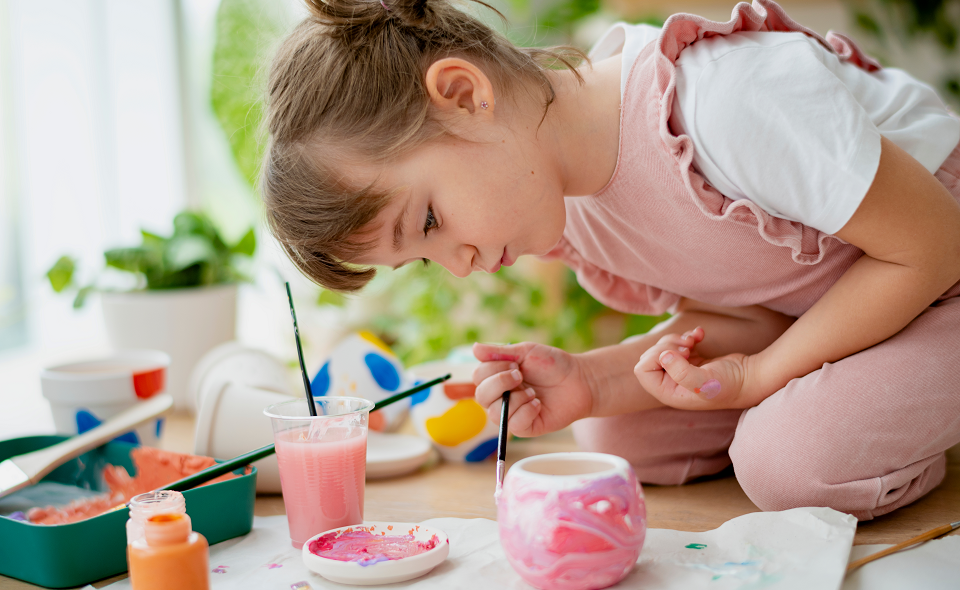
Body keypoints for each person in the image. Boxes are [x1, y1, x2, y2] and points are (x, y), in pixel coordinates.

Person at [261, 0, 960, 520]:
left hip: (941, 266)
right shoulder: (569, 208)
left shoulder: (720, 101)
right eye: (422, 258)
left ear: (466, 95)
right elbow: (747, 312)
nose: (461, 262)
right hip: (851, 298)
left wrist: (763, 376)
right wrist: (592, 382)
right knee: (618, 431)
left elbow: (932, 245)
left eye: (431, 221)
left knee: (788, 462)